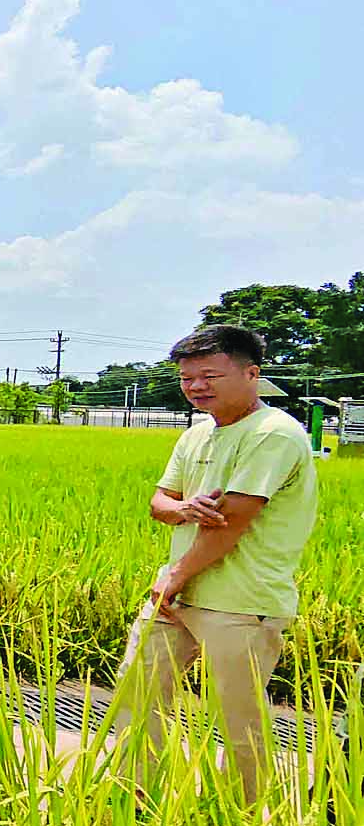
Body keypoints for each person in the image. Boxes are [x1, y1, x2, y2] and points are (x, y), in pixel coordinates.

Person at [116, 324, 318, 801]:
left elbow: (231, 523)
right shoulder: (197, 435)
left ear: (251, 374)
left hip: (241, 600)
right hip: (178, 595)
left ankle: (243, 819)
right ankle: (136, 800)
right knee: (136, 695)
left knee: (238, 717)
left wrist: (173, 576)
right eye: (187, 378)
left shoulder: (274, 434)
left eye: (210, 375)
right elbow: (160, 500)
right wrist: (183, 509)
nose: (196, 387)